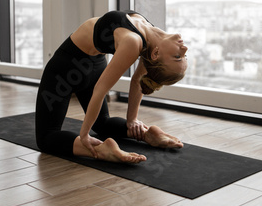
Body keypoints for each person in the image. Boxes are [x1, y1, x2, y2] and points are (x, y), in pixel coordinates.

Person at [35, 10, 188, 164]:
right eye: (183, 56)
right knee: (102, 123)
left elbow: (101, 90)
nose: (185, 49)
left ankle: (101, 150)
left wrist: (85, 134)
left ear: (156, 54)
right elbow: (136, 80)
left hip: (65, 69)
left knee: (46, 137)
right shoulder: (150, 42)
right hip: (94, 66)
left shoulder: (134, 42)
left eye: (177, 57)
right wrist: (132, 120)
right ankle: (146, 135)